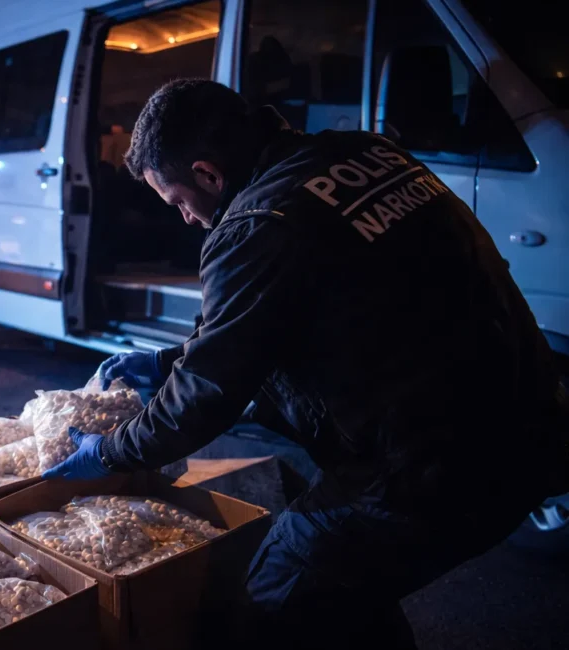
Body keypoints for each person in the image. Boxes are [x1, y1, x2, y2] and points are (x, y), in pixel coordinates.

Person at [43, 79, 568, 649]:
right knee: (346, 589)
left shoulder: (258, 224)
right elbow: (277, 321)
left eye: (178, 203)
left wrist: (113, 451)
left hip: (435, 471)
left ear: (208, 174)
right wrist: (169, 361)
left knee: (278, 593)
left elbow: (207, 394)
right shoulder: (369, 154)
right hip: (531, 420)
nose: (187, 221)